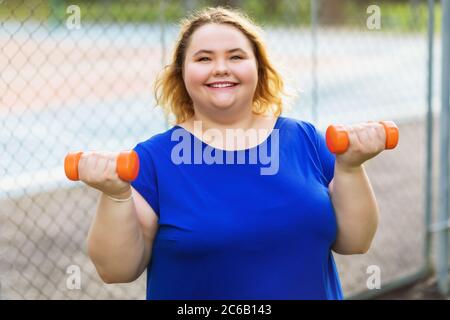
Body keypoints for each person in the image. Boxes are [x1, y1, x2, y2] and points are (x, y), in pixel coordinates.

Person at [81, 7, 386, 300]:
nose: (221, 68)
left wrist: (350, 167)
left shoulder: (305, 140)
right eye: (203, 58)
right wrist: (116, 196)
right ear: (182, 73)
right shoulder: (153, 160)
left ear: (259, 67)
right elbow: (116, 270)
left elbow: (356, 242)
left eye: (236, 56)